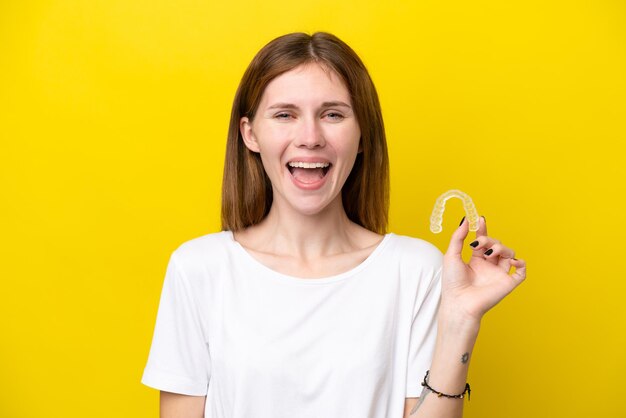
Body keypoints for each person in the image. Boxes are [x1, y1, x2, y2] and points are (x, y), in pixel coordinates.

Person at [141, 32, 526, 418]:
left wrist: (461, 320)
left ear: (362, 136)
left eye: (333, 114)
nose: (310, 138)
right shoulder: (199, 269)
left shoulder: (416, 270)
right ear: (250, 134)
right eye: (284, 114)